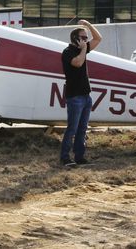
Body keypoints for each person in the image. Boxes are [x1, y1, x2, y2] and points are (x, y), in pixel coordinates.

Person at [60, 19, 102, 167]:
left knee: (82, 129)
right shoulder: (68, 52)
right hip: (75, 96)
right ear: (75, 39)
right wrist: (84, 49)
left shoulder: (82, 49)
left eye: (86, 37)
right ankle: (65, 157)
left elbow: (98, 39)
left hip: (85, 96)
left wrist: (89, 26)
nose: (86, 40)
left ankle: (79, 156)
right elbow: (77, 63)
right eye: (83, 37)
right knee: (72, 128)